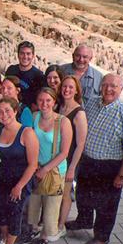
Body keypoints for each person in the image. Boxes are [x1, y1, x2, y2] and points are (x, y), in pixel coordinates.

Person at [66, 74, 123, 244]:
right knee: (83, 195)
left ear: (121, 89)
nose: (108, 89)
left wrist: (121, 175)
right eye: (105, 85)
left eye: (113, 86)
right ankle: (84, 220)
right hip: (88, 161)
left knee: (106, 206)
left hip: (110, 167)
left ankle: (101, 237)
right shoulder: (91, 103)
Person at [23, 88, 72, 244]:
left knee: (51, 208)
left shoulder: (63, 122)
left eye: (48, 101)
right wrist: (35, 167)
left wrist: (45, 169)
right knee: (34, 205)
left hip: (54, 171)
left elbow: (65, 152)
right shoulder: (34, 117)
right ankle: (34, 230)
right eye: (41, 100)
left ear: (55, 102)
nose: (44, 104)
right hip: (36, 169)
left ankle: (44, 239)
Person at [0, 97, 39, 244]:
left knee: (14, 215)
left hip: (20, 182)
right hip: (1, 181)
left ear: (15, 111)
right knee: (0, 212)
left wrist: (19, 186)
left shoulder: (27, 133)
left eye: (8, 111)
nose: (4, 115)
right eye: (0, 112)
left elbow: (32, 165)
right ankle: (4, 240)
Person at [57, 76, 87, 234]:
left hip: (69, 160)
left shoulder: (79, 113)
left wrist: (72, 168)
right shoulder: (60, 106)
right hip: (57, 156)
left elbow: (81, 144)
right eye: (64, 87)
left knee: (66, 193)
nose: (67, 90)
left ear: (76, 90)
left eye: (70, 87)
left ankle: (61, 225)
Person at [5, 41, 45, 111]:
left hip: (28, 111)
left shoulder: (38, 75)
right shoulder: (11, 70)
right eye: (22, 53)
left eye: (28, 54)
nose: (25, 57)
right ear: (18, 55)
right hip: (9, 108)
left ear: (33, 56)